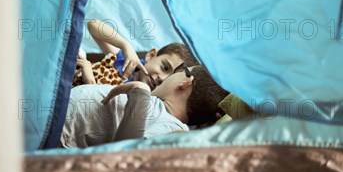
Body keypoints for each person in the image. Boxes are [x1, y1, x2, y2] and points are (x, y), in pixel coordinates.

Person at [61, 64, 229, 148]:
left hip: (58, 134)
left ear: (185, 83)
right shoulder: (159, 108)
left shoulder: (173, 129)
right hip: (56, 112)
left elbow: (125, 156)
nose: (165, 78)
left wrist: (140, 95)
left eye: (178, 70)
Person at [73, 18, 199, 90]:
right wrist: (125, 46)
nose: (162, 78)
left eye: (170, 78)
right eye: (164, 67)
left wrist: (89, 78)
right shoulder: (128, 62)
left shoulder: (145, 98)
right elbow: (93, 25)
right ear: (150, 55)